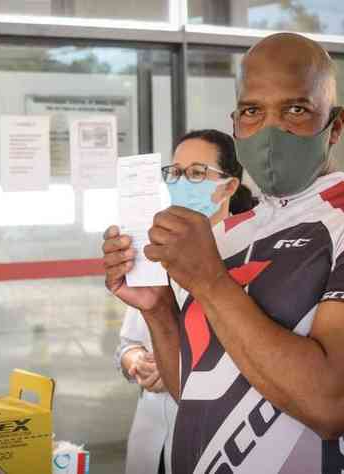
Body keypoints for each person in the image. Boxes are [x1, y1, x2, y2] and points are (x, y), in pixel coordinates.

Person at [102, 33, 344, 473]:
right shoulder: (227, 234)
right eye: (253, 111)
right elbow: (195, 389)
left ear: (334, 125)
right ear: (236, 123)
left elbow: (331, 404)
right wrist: (158, 308)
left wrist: (210, 280)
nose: (270, 130)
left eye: (295, 109)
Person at [116, 129, 256, 474]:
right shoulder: (157, 253)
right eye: (175, 172)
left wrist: (173, 368)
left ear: (229, 186)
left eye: (196, 173)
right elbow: (127, 345)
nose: (181, 182)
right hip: (152, 438)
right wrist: (137, 363)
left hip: (215, 440)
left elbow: (254, 360)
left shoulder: (250, 257)